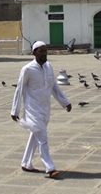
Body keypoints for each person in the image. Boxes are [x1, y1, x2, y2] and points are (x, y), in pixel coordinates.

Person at [11, 41, 71, 178]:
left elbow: (54, 86)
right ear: (34, 53)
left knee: (36, 134)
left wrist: (65, 102)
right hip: (33, 109)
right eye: (41, 51)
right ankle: (49, 167)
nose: (44, 54)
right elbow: (19, 89)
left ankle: (26, 162)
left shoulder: (49, 67)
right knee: (42, 137)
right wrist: (15, 110)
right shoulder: (27, 69)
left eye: (45, 51)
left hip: (45, 108)